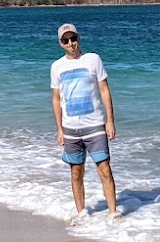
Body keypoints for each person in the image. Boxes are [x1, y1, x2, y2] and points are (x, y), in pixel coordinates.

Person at [50, 23, 119, 219]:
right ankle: (81, 214)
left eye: (73, 39)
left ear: (78, 39)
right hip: (70, 128)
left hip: (94, 125)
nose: (70, 43)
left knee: (104, 169)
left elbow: (104, 90)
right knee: (76, 172)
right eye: (66, 40)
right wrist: (59, 129)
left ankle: (114, 214)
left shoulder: (93, 59)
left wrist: (110, 121)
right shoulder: (56, 67)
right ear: (61, 43)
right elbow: (56, 99)